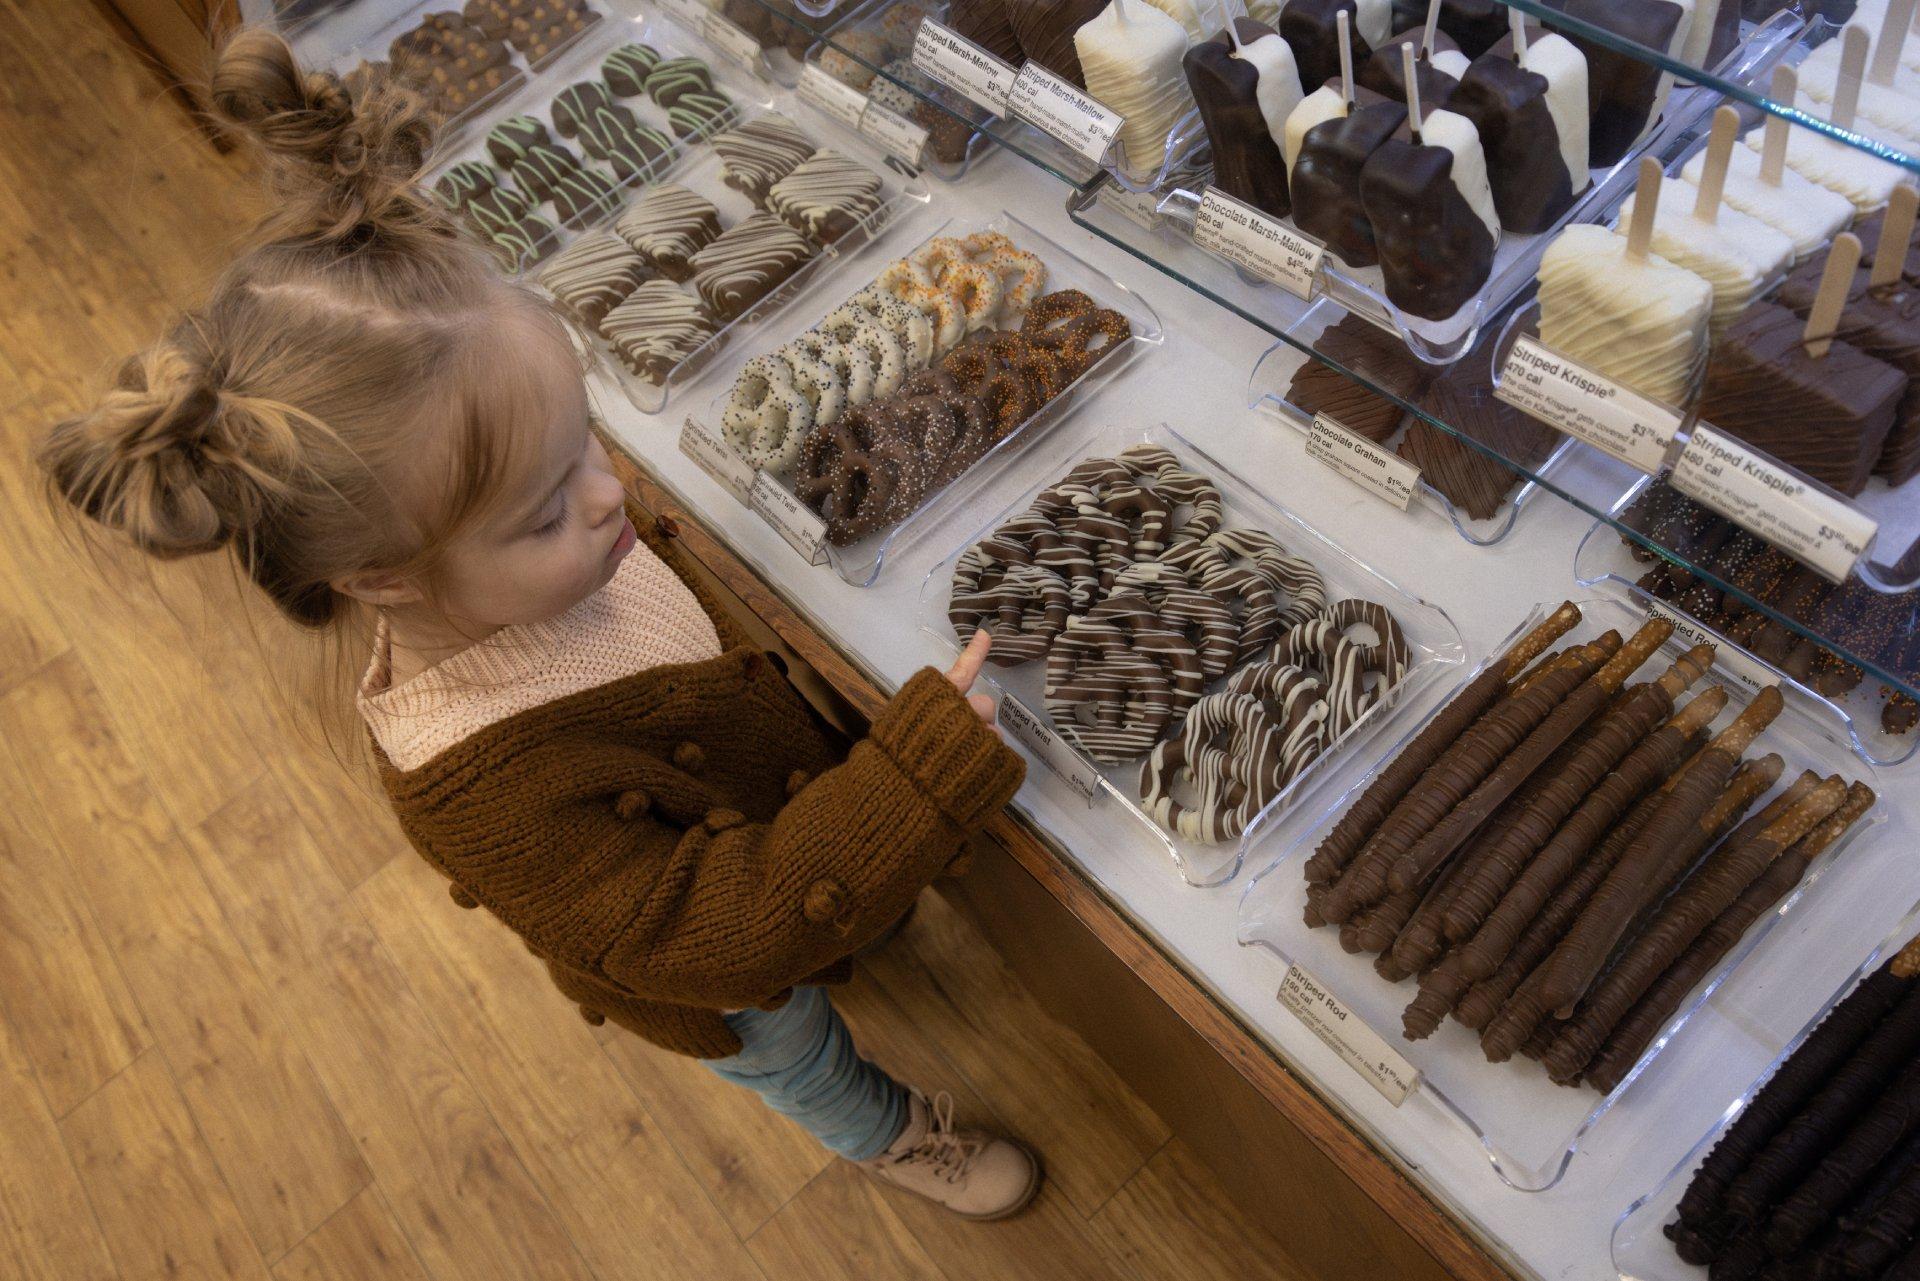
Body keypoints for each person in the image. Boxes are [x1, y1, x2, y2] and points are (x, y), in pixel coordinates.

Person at [38, 27, 1041, 1220]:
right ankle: (889, 1140)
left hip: (786, 819)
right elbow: (730, 931)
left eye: (587, 444)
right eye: (544, 503)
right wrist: (911, 790)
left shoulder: (535, 565)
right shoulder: (495, 799)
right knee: (797, 1051)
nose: (612, 493)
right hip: (729, 962)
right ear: (381, 579)